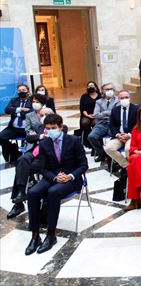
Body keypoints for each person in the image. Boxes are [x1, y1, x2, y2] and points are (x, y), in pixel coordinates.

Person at [25, 114, 88, 255]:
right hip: (52, 176)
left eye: (53, 128)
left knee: (53, 192)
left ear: (60, 127)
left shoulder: (74, 141)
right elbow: (43, 168)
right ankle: (35, 236)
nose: (50, 131)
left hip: (71, 178)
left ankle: (51, 234)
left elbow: (84, 165)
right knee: (33, 192)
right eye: (47, 129)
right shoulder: (44, 143)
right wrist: (54, 178)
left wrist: (69, 176)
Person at [7, 94, 57, 219]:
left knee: (22, 166)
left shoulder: (57, 128)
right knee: (21, 161)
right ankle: (20, 194)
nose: (44, 117)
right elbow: (29, 135)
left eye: (46, 115)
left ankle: (21, 199)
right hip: (34, 151)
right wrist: (39, 136)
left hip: (47, 157)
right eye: (42, 116)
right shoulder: (39, 126)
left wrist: (39, 136)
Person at [104, 90, 138, 175]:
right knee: (108, 148)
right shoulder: (115, 110)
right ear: (118, 99)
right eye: (122, 98)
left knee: (128, 149)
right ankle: (126, 166)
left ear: (130, 98)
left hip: (131, 135)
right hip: (119, 136)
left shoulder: (136, 109)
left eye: (126, 97)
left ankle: (133, 168)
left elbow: (138, 125)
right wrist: (118, 135)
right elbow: (112, 126)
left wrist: (128, 135)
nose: (124, 99)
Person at [88, 83, 119, 163]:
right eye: (107, 89)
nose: (110, 91)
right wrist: (109, 113)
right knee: (91, 137)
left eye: (111, 89)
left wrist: (104, 113)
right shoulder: (99, 102)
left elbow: (116, 113)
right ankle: (102, 153)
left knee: (115, 138)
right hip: (102, 123)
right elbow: (96, 115)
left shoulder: (118, 100)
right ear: (102, 91)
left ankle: (114, 156)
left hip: (114, 123)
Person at [1, 84, 32, 162]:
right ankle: (14, 151)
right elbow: (7, 110)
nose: (21, 92)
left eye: (23, 90)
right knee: (1, 137)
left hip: (27, 129)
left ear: (28, 90)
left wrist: (15, 111)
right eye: (19, 90)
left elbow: (31, 111)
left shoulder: (32, 100)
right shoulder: (14, 100)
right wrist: (21, 109)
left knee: (33, 139)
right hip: (13, 128)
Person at [79, 81, 101, 149]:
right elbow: (82, 108)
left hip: (97, 115)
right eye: (89, 86)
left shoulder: (100, 96)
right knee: (84, 122)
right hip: (86, 115)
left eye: (92, 86)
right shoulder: (84, 96)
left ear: (96, 87)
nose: (90, 87)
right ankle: (88, 141)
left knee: (95, 123)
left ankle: (95, 140)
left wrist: (96, 115)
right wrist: (87, 115)